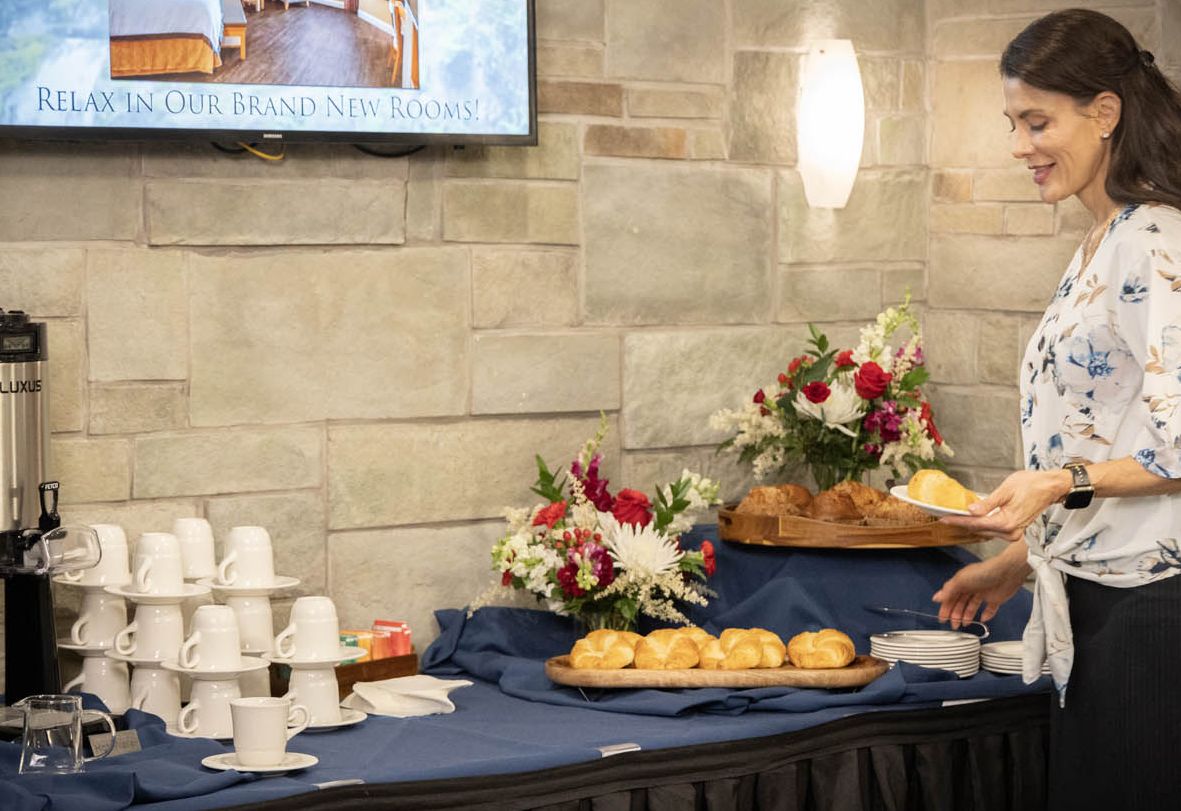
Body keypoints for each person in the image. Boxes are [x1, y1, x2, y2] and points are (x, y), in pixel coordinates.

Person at [930, 9, 1181, 810]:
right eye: (1013, 122)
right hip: (1098, 597)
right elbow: (1118, 433)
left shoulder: (1156, 240)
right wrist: (1021, 559)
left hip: (1152, 611)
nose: (1017, 146)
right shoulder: (1100, 242)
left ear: (1104, 112)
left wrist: (1055, 483)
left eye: (1037, 121)